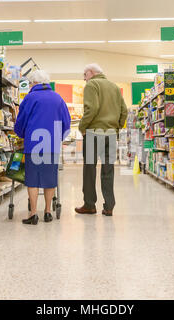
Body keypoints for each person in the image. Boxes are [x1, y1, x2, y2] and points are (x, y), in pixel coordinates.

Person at [14, 70, 71, 225]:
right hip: (51, 144)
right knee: (49, 178)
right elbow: (66, 123)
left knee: (32, 179)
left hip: (33, 144)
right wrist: (59, 137)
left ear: (33, 83)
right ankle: (47, 212)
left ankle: (33, 214)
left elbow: (21, 121)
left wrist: (20, 134)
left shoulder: (30, 98)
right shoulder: (58, 98)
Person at [75, 63, 128, 217]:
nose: (84, 79)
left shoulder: (92, 85)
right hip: (110, 134)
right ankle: (109, 206)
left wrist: (82, 127)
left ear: (91, 73)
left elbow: (92, 108)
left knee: (90, 170)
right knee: (108, 170)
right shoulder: (115, 87)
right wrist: (117, 128)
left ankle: (90, 205)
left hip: (93, 133)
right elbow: (124, 111)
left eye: (84, 76)